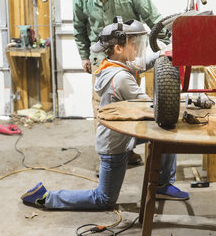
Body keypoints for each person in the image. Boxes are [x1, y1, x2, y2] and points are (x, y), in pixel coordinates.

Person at [21, 18, 189, 209]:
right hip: (114, 145)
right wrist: (185, 104)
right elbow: (152, 107)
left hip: (125, 134)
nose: (136, 49)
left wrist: (165, 52)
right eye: (133, 45)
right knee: (104, 199)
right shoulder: (121, 78)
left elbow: (143, 63)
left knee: (164, 138)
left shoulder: (113, 64)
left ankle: (162, 185)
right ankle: (46, 197)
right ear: (118, 48)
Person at [72, 0, 169, 164]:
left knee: (130, 105)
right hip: (100, 56)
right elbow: (79, 26)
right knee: (102, 107)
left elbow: (154, 19)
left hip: (129, 54)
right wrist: (84, 55)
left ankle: (126, 151)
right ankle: (108, 156)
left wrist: (167, 46)